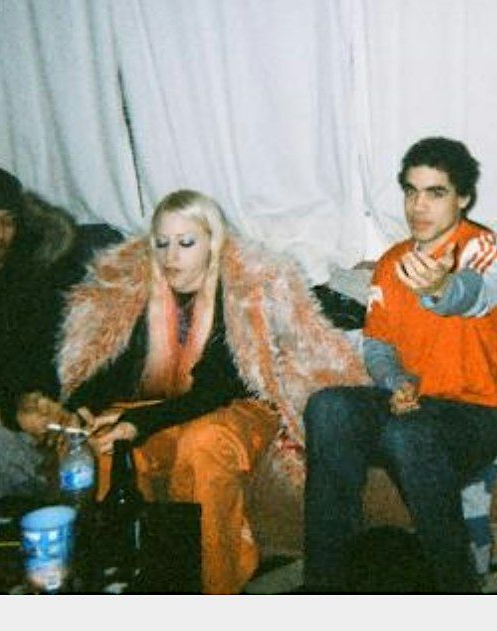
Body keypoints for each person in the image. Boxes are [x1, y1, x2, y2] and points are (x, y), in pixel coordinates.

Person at [30, 189, 365, 595]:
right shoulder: (134, 290)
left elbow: (215, 390)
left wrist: (137, 422)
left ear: (212, 243)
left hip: (236, 406)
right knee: (97, 450)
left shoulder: (241, 291)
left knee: (203, 444)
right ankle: (106, 582)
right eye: (162, 243)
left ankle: (215, 587)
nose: (171, 256)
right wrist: (80, 408)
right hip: (156, 406)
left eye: (186, 243)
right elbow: (105, 365)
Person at [303, 137, 497, 593]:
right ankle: (326, 582)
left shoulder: (485, 248)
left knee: (408, 433)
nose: (418, 206)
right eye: (411, 191)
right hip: (414, 404)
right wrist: (396, 381)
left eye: (435, 193)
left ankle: (455, 586)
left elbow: (474, 293)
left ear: (463, 198)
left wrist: (440, 287)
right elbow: (378, 344)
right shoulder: (391, 264)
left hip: (481, 412)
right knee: (328, 407)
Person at [0, 165, 85, 504]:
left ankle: (12, 524)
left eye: (8, 221)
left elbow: (35, 368)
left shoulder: (34, 281)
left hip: (14, 411)